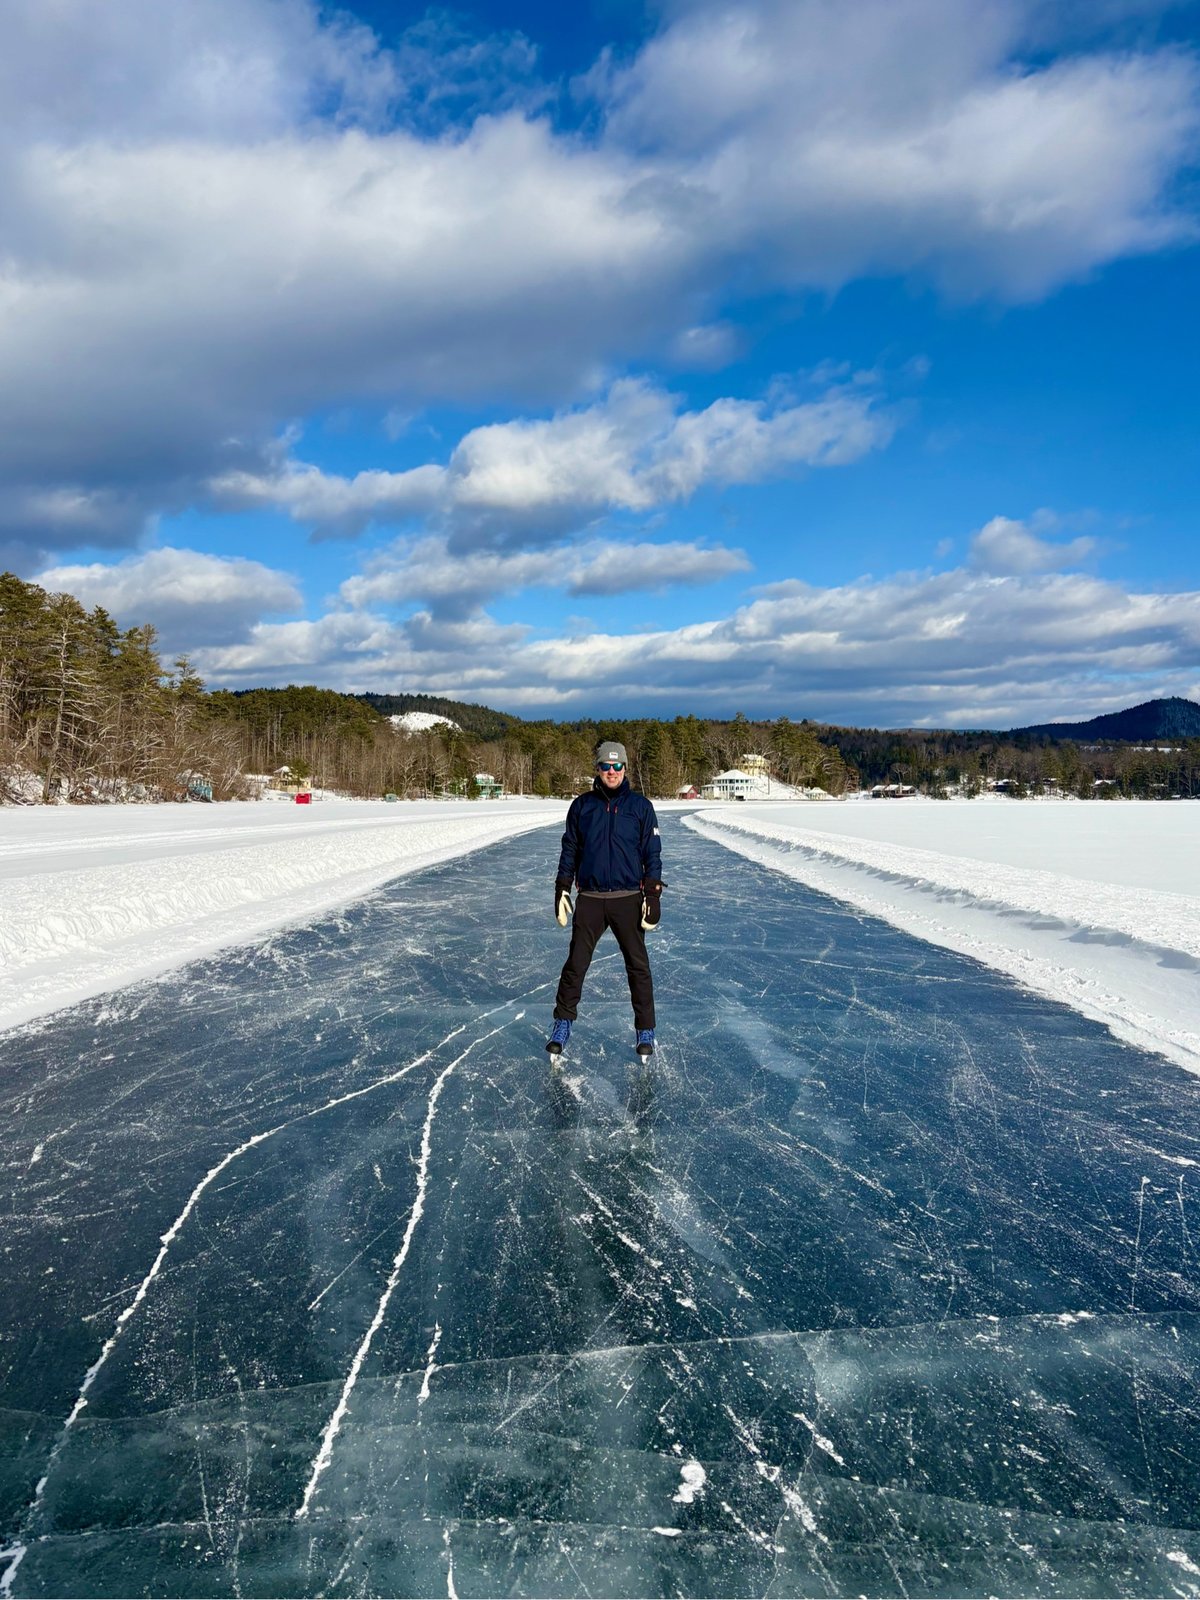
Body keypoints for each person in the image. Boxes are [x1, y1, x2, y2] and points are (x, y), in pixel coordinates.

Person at [547, 741, 664, 1061]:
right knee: (575, 965)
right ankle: (562, 1024)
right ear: (597, 769)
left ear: (625, 769)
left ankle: (645, 1029)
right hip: (591, 899)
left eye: (617, 766)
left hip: (628, 898)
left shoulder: (641, 807)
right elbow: (569, 849)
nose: (612, 772)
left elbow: (652, 854)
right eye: (606, 766)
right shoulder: (582, 806)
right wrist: (561, 889)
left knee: (638, 966)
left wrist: (653, 895)